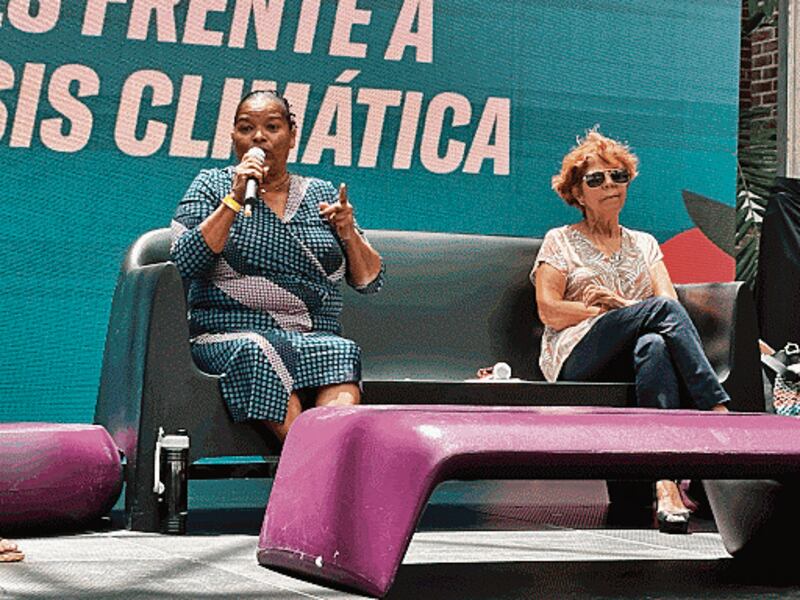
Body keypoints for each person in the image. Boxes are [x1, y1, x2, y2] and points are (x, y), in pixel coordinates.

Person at [531, 129, 730, 534]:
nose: (610, 185)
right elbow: (549, 311)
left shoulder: (644, 244)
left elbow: (667, 304)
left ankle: (665, 484)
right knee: (655, 320)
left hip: (634, 355)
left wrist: (622, 307)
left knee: (655, 346)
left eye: (618, 176)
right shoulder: (560, 241)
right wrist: (599, 310)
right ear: (577, 193)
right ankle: (717, 410)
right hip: (577, 355)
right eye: (596, 179)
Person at [171, 90, 384, 441]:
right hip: (231, 335)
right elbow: (185, 260)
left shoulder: (320, 194)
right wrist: (234, 200)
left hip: (311, 335)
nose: (258, 137)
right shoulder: (211, 186)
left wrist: (348, 232)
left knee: (342, 350)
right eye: (246, 128)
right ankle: (320, 472)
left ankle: (320, 469)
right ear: (233, 137)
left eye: (271, 127)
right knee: (261, 350)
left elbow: (369, 280)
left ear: (291, 135)